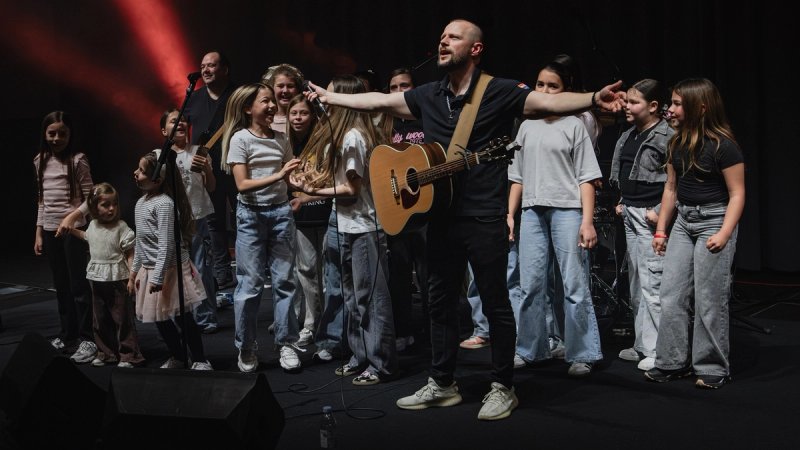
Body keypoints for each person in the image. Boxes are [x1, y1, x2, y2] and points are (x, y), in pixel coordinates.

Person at [304, 19, 624, 420]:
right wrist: (332, 100)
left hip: (483, 215)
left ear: (475, 49)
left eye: (452, 37)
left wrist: (593, 97)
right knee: (438, 304)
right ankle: (442, 382)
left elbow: (547, 103)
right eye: (441, 37)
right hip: (440, 217)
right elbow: (379, 102)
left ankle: (503, 386)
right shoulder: (430, 94)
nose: (443, 41)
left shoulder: (498, 90)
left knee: (496, 304)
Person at [291, 75, 398, 386]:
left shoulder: (353, 136)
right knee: (351, 298)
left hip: (364, 226)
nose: (325, 100)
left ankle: (380, 364)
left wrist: (312, 189)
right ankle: (360, 355)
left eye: (332, 95)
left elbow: (351, 190)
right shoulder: (341, 133)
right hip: (344, 224)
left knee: (370, 299)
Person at [644, 78, 744, 389]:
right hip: (684, 223)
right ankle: (672, 361)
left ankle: (713, 365)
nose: (669, 108)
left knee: (709, 299)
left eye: (676, 103)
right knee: (671, 294)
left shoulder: (723, 146)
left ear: (699, 108)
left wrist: (725, 233)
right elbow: (671, 188)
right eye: (670, 103)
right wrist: (661, 230)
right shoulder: (675, 143)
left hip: (714, 220)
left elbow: (737, 194)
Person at [508, 58, 604, 377]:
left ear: (565, 91)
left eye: (553, 86)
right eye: (540, 84)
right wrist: (510, 215)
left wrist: (587, 221)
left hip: (567, 210)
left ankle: (583, 352)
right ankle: (530, 349)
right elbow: (517, 177)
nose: (545, 91)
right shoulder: (526, 126)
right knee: (531, 284)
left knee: (574, 283)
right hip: (532, 211)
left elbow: (586, 177)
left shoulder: (575, 124)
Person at [221, 82, 304, 373]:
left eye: (272, 101)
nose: (271, 106)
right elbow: (242, 185)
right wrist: (281, 174)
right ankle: (246, 346)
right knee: (250, 285)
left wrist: (304, 185)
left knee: (285, 282)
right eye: (265, 101)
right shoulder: (240, 139)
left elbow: (290, 179)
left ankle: (286, 344)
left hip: (281, 213)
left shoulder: (282, 138)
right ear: (248, 108)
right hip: (251, 216)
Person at [609, 79, 674, 371]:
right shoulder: (630, 134)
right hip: (631, 214)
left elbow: (677, 181)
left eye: (634, 103)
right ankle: (643, 343)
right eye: (628, 101)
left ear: (653, 106)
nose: (627, 107)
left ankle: (661, 350)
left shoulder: (667, 136)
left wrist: (659, 212)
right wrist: (623, 199)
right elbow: (626, 170)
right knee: (636, 281)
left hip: (650, 217)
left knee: (653, 283)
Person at [130, 150, 212, 370]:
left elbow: (167, 244)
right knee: (159, 318)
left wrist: (158, 277)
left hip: (171, 269)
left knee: (182, 317)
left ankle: (200, 358)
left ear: (157, 178)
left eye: (141, 171)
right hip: (151, 269)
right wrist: (134, 271)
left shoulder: (165, 204)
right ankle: (178, 356)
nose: (135, 173)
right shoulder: (140, 204)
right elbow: (140, 241)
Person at [34, 111, 97, 363]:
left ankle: (87, 338)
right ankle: (67, 334)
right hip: (51, 231)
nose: (57, 138)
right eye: (52, 133)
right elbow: (41, 199)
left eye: (62, 133)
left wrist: (72, 218)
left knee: (78, 286)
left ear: (70, 135)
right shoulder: (39, 160)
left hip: (72, 232)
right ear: (45, 134)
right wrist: (39, 231)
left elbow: (92, 198)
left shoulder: (77, 160)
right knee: (61, 286)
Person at [63, 183, 144, 367]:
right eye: (105, 205)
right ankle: (106, 353)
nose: (111, 209)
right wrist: (71, 230)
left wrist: (132, 276)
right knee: (99, 319)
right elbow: (87, 237)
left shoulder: (121, 227)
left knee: (122, 319)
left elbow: (131, 253)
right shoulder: (93, 225)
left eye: (114, 204)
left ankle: (128, 354)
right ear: (93, 207)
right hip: (97, 279)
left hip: (117, 280)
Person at [160, 109, 219, 334]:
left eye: (183, 120)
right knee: (175, 271)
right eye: (175, 121)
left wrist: (205, 167)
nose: (181, 124)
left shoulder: (199, 151)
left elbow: (211, 187)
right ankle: (182, 317)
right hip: (172, 220)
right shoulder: (160, 156)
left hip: (198, 217)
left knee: (201, 268)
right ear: (164, 130)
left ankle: (205, 318)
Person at [184, 50, 238, 291]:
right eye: (203, 65)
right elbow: (185, 130)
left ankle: (248, 266)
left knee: (241, 217)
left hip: (237, 165)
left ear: (225, 69)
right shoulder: (193, 98)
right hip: (206, 169)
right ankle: (222, 272)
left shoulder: (238, 97)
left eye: (211, 66)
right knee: (213, 221)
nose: (205, 70)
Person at [386, 67, 428, 352]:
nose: (400, 91)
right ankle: (402, 330)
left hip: (426, 211)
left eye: (405, 86)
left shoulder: (429, 120)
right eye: (394, 87)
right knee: (398, 277)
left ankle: (432, 333)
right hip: (396, 209)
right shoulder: (384, 124)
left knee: (429, 277)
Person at [286, 94, 331, 346]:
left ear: (313, 115)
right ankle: (310, 324)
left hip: (324, 213)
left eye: (303, 113)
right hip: (300, 218)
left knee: (327, 273)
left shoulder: (323, 140)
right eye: (294, 113)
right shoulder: (287, 142)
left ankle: (329, 325)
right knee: (305, 271)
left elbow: (326, 177)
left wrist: (304, 196)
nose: (298, 118)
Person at [261, 63, 304, 134]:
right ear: (272, 88)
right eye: (280, 86)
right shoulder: (263, 119)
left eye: (290, 86)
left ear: (297, 89)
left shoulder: (304, 119)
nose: (285, 91)